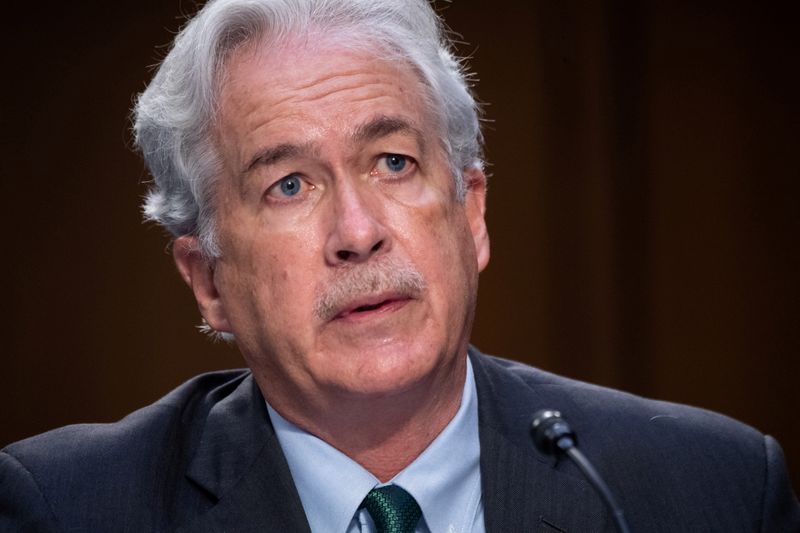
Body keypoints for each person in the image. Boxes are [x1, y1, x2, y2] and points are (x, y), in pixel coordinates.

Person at [1, 0, 798, 531]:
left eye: (391, 161)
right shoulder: (68, 508)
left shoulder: (706, 490)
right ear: (210, 280)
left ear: (471, 213)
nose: (358, 232)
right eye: (288, 184)